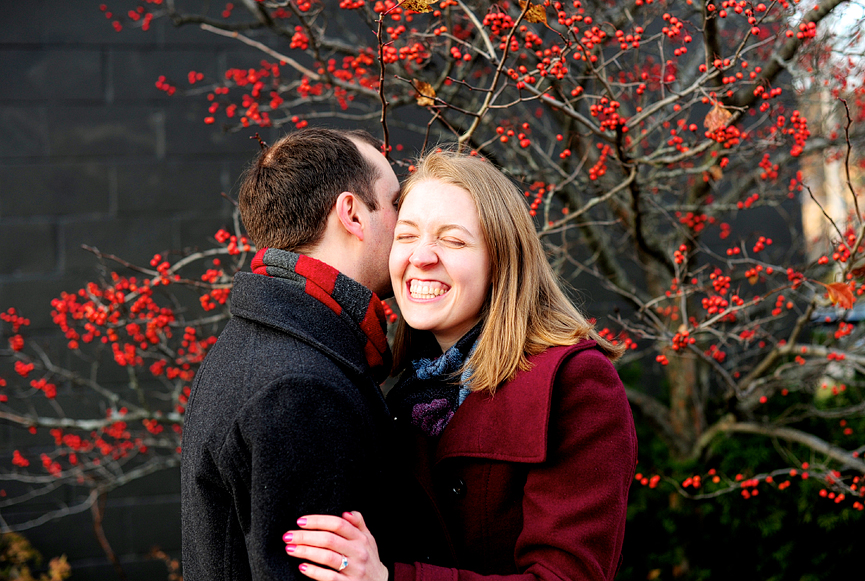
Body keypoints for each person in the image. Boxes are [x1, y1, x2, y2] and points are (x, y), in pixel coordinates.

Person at [282, 149, 638, 580]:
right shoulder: (401, 386)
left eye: (453, 240)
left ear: (502, 261)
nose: (423, 257)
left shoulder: (573, 382)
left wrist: (388, 579)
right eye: (407, 236)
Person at [181, 128, 403, 581]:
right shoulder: (300, 388)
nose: (406, 223)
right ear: (353, 214)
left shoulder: (259, 344)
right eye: (395, 203)